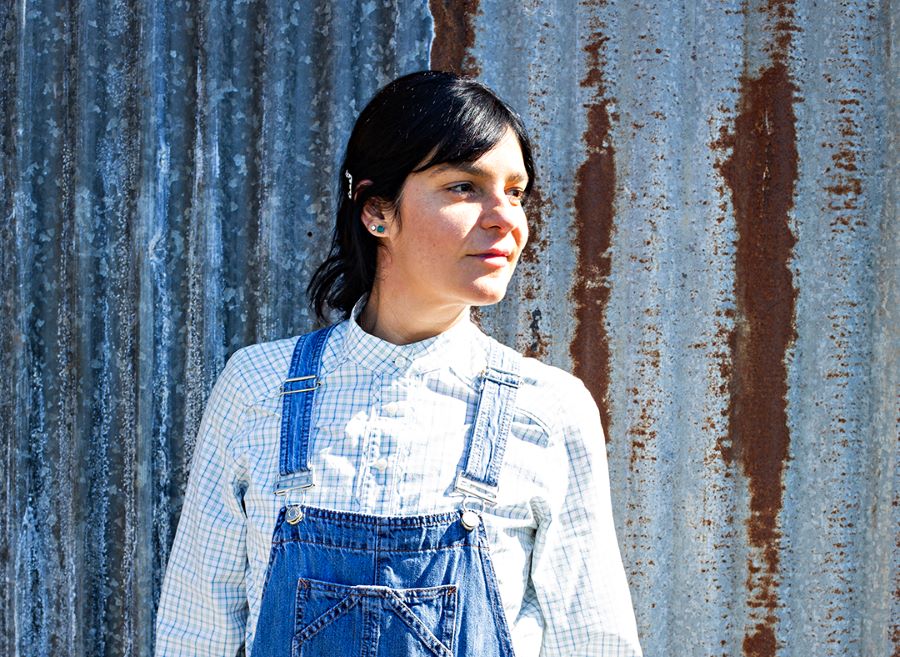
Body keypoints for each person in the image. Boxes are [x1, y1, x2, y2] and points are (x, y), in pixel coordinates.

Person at [154, 70, 642, 657]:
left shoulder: (548, 408)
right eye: (465, 187)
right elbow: (195, 631)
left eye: (516, 192)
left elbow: (594, 641)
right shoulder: (258, 387)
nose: (506, 219)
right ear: (377, 211)